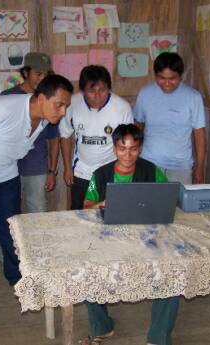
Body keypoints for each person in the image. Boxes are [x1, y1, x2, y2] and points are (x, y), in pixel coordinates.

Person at [0, 74, 73, 301]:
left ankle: (15, 276)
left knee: (12, 231)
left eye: (66, 106)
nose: (63, 112)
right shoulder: (3, 108)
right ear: (40, 98)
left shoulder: (46, 119)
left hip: (7, 178)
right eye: (59, 105)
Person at [82, 124, 178, 345]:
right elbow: (86, 207)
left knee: (172, 271)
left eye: (134, 149)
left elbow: (167, 200)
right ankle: (102, 327)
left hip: (147, 236)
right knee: (87, 270)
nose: (128, 154)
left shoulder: (151, 170)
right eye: (122, 148)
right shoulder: (101, 173)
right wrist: (102, 203)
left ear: (141, 148)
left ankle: (158, 338)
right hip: (109, 236)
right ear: (114, 148)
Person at [0, 52, 60, 270]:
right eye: (38, 73)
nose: (42, 78)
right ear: (25, 72)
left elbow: (53, 140)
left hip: (37, 167)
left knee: (37, 211)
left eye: (46, 74)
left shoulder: (48, 99)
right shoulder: (8, 96)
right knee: (5, 212)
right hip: (7, 167)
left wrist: (52, 170)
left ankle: (40, 254)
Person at [59, 65, 133, 210]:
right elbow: (65, 135)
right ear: (82, 90)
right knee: (78, 213)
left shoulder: (122, 107)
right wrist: (67, 168)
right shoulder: (72, 105)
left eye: (103, 90)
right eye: (91, 91)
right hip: (81, 172)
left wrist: (125, 172)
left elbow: (128, 143)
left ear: (109, 88)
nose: (97, 96)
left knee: (110, 213)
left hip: (110, 172)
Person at [134, 52, 206, 185]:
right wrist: (134, 156)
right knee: (148, 204)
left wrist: (200, 168)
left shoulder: (193, 97)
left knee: (178, 205)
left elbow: (199, 134)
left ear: (181, 76)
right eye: (162, 78)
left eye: (172, 78)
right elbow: (138, 126)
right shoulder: (145, 93)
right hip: (149, 163)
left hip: (181, 167)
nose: (167, 83)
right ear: (155, 75)